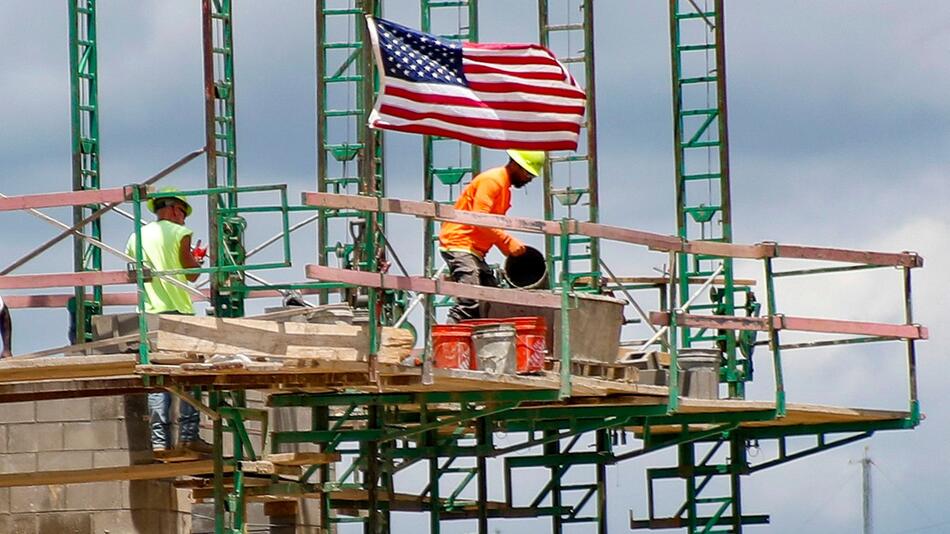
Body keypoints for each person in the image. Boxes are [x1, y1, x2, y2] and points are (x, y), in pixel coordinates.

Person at [125, 187, 210, 454]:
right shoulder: (180, 233)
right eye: (183, 214)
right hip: (178, 314)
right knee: (189, 376)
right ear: (175, 209)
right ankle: (188, 436)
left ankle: (159, 442)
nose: (184, 220)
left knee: (158, 378)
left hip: (149, 315)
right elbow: (191, 274)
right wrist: (197, 261)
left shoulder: (135, 236)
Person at [438, 149, 544, 323]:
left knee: (492, 302)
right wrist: (507, 242)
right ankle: (448, 345)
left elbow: (488, 225)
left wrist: (506, 247)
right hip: (460, 243)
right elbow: (480, 218)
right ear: (516, 165)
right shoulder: (492, 181)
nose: (529, 179)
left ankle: (480, 345)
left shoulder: (503, 188)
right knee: (469, 301)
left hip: (474, 250)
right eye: (528, 173)